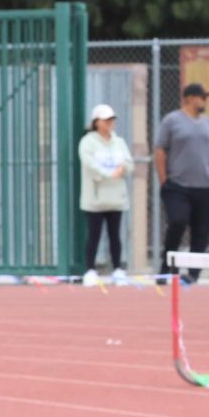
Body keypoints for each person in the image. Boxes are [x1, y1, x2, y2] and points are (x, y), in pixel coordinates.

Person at [154, 83, 209, 284]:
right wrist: (164, 181)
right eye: (201, 97)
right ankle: (166, 266)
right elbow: (160, 151)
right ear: (189, 98)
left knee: (202, 231)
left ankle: (193, 273)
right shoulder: (172, 121)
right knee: (177, 221)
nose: (204, 101)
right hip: (178, 186)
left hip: (206, 187)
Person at [79, 104, 132, 286]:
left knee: (115, 235)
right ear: (96, 122)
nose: (110, 123)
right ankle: (90, 270)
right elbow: (89, 164)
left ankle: (117, 269)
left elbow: (129, 163)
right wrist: (108, 173)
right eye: (106, 119)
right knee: (93, 235)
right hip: (96, 198)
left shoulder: (119, 142)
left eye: (112, 119)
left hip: (116, 198)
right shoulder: (88, 142)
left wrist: (122, 169)